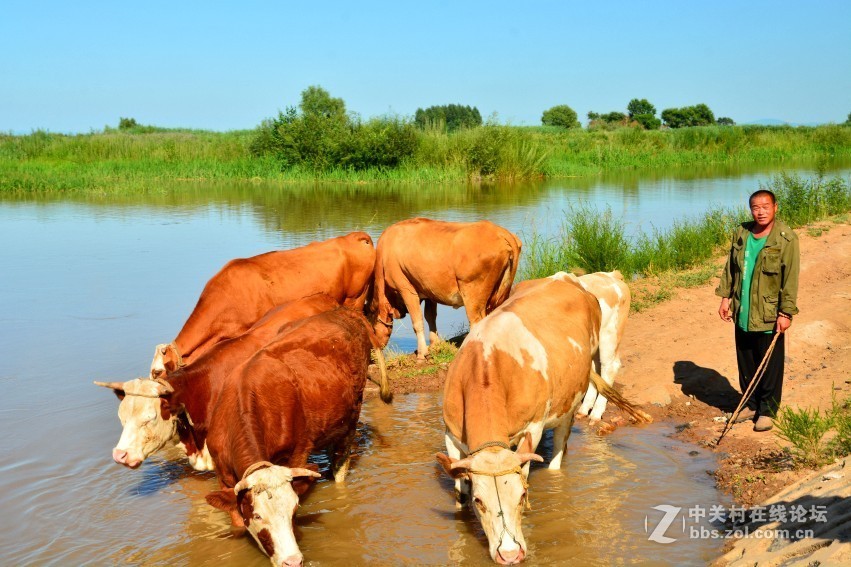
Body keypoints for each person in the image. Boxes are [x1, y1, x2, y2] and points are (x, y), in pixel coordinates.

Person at [716, 189, 800, 432]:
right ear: (750, 209)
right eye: (755, 207)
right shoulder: (742, 232)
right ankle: (750, 404)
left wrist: (786, 313)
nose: (760, 211)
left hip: (769, 312)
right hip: (743, 309)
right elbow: (730, 268)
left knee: (769, 364)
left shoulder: (786, 238)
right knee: (746, 360)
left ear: (775, 207)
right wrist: (725, 298)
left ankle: (768, 410)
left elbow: (790, 278)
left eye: (765, 206)